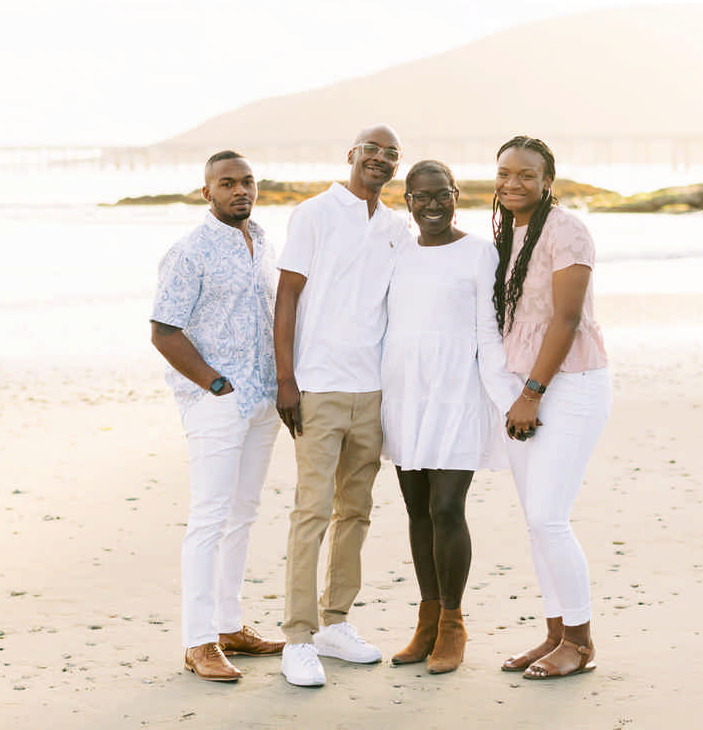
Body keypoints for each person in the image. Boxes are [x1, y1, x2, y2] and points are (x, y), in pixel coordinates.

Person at [273, 125, 411, 687]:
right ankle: (298, 638)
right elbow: (287, 297)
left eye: (390, 154)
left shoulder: (397, 225)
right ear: (351, 155)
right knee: (311, 512)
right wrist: (287, 378)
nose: (379, 159)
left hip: (373, 390)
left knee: (355, 510)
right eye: (371, 150)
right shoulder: (313, 214)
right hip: (319, 385)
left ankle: (335, 623)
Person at [381, 160, 522, 674]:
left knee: (446, 508)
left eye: (442, 194)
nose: (434, 205)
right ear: (408, 200)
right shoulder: (395, 250)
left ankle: (452, 624)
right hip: (405, 391)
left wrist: (508, 397)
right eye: (422, 196)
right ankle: (426, 620)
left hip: (457, 389)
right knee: (416, 509)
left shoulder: (481, 252)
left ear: (456, 195)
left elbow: (489, 328)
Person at [150, 150, 285, 682]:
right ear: (207, 192)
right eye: (227, 184)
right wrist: (214, 384)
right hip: (218, 401)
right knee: (209, 518)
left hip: (264, 399)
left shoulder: (265, 242)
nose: (240, 191)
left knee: (243, 514)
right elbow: (164, 330)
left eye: (247, 182)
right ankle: (198, 641)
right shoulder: (188, 253)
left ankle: (229, 626)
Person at [492, 136, 611, 680]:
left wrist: (531, 394)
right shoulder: (508, 231)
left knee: (548, 516)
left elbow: (565, 320)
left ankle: (581, 642)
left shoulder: (568, 230)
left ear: (547, 181)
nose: (512, 183)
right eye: (504, 174)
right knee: (536, 523)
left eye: (525, 175)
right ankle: (554, 634)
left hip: (570, 385)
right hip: (524, 386)